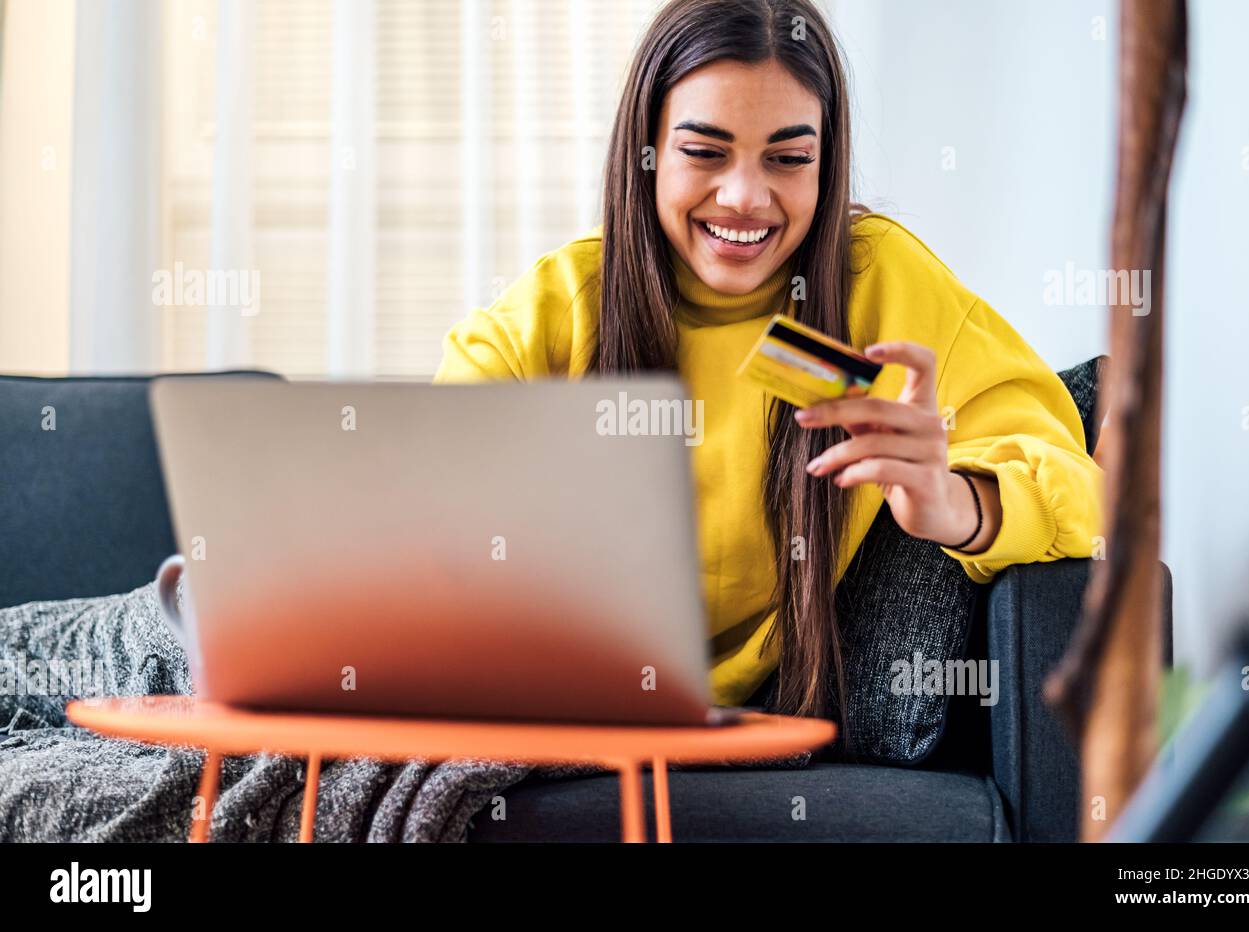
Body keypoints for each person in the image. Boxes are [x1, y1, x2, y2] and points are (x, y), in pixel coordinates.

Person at [434, 0, 1102, 729]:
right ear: (647, 151)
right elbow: (418, 520)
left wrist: (954, 503)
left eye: (788, 159)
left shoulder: (874, 289)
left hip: (767, 718)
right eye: (704, 152)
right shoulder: (560, 308)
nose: (746, 198)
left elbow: (1092, 503)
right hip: (563, 702)